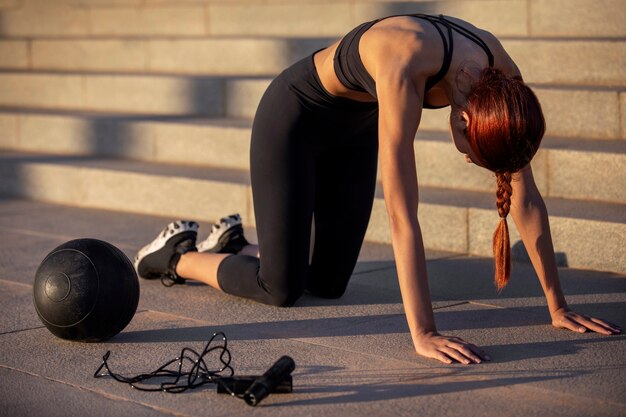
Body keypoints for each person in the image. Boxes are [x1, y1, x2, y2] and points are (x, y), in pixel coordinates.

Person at [134, 14, 621, 365]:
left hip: (356, 127)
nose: (468, 159)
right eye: (470, 152)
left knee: (326, 284)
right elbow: (402, 216)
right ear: (467, 118)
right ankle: (176, 255)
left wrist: (557, 306)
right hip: (294, 119)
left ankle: (232, 244)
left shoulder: (506, 82)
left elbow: (526, 195)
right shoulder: (405, 61)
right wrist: (424, 332)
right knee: (280, 288)